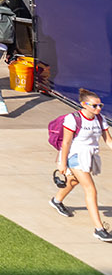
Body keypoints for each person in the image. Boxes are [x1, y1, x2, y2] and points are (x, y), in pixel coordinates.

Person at [52, 90, 112, 243]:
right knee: (90, 189)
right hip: (75, 157)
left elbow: (108, 140)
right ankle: (99, 229)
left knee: (75, 181)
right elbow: (66, 143)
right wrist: (62, 163)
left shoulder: (100, 119)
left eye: (100, 105)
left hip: (90, 156)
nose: (98, 108)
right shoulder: (72, 119)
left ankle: (56, 200)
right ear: (84, 105)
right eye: (94, 105)